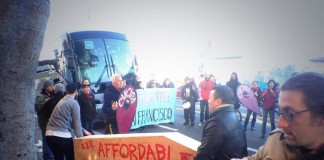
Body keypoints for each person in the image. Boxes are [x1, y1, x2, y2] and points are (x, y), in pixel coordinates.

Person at [236, 72, 324, 159]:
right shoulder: (278, 138)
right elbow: (255, 158)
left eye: (290, 114)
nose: (280, 124)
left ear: (321, 117)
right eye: (280, 111)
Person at [194, 85, 248, 159]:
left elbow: (204, 156)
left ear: (218, 101)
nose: (208, 101)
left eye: (210, 98)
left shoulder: (217, 122)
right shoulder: (234, 116)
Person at [46, 83, 91, 160]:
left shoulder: (62, 101)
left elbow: (69, 121)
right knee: (71, 157)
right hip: (62, 135)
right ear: (76, 91)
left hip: (49, 134)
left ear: (66, 91)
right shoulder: (74, 103)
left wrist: (83, 130)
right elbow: (76, 123)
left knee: (58, 158)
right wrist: (82, 140)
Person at [35, 80, 54, 160]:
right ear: (46, 87)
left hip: (49, 121)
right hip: (43, 121)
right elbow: (37, 109)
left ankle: (50, 154)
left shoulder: (51, 95)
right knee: (46, 139)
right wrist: (45, 102)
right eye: (50, 86)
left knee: (50, 139)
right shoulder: (41, 96)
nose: (52, 87)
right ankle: (46, 156)